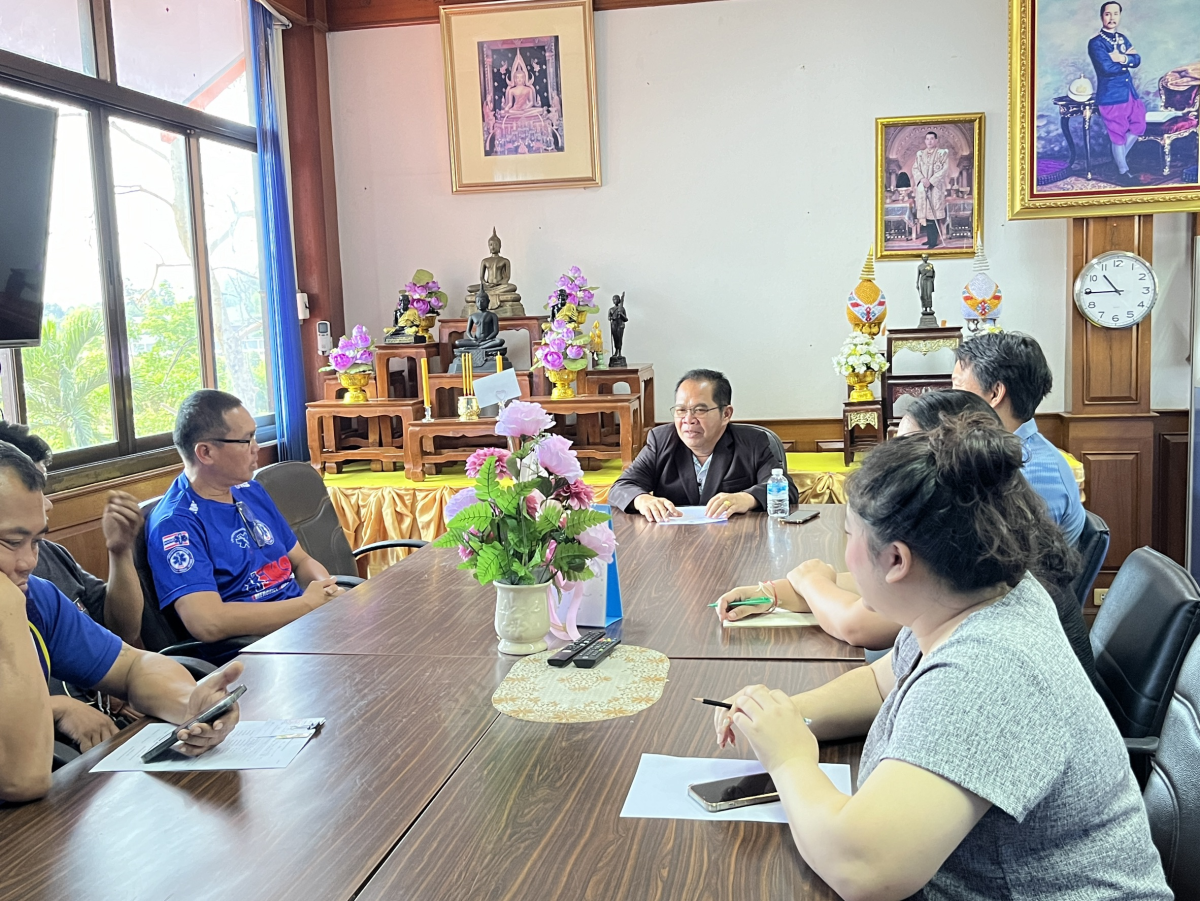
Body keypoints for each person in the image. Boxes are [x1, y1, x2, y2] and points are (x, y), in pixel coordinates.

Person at [712, 415, 1171, 900]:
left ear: (896, 561)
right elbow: (880, 684)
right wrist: (789, 717)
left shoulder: (987, 672)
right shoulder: (978, 593)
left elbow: (862, 869)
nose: (843, 555)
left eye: (849, 536)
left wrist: (788, 759)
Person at [715, 389, 1096, 683]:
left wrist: (812, 580)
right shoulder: (985, 533)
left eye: (908, 446)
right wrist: (778, 592)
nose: (896, 456)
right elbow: (883, 668)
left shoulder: (970, 594)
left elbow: (858, 623)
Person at [0, 442, 241, 802]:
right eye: (12, 542)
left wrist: (189, 704)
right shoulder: (13, 601)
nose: (28, 562)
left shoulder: (37, 598)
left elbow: (133, 665)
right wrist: (7, 609)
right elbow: (22, 779)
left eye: (35, 542)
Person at [146, 390, 343, 644]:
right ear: (205, 452)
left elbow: (300, 560)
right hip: (254, 650)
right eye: (246, 440)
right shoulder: (176, 523)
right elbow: (207, 622)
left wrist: (328, 591)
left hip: (303, 627)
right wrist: (305, 606)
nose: (256, 448)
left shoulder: (250, 490)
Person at [0, 422, 145, 646]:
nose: (46, 503)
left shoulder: (51, 555)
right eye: (33, 491)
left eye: (43, 489)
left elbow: (124, 630)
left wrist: (120, 550)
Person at [609, 369, 797, 522]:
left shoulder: (753, 442)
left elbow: (786, 490)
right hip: (675, 548)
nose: (688, 420)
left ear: (726, 414)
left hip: (737, 546)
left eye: (700, 410)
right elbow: (622, 487)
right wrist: (642, 500)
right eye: (681, 410)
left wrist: (745, 499)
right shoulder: (661, 440)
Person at [952, 331, 1086, 543]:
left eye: (958, 386)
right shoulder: (997, 450)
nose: (951, 397)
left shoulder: (1032, 472)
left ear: (995, 394)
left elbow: (1012, 562)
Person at [1089, 1, 1145, 186]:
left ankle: (1117, 159)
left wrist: (1121, 58)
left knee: (1139, 125)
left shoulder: (1122, 38)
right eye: (1107, 14)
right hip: (1111, 95)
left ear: (1119, 16)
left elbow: (1137, 60)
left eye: (1115, 14)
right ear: (1101, 16)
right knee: (1118, 133)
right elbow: (1107, 68)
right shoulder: (1096, 43)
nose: (1112, 18)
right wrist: (1125, 63)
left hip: (1129, 92)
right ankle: (1123, 171)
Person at [912, 130, 948, 248]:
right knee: (926, 215)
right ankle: (929, 239)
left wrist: (931, 181)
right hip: (923, 188)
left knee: (934, 214)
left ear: (936, 140)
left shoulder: (942, 154)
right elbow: (915, 169)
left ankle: (934, 241)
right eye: (927, 139)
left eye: (932, 139)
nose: (929, 141)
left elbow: (944, 170)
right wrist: (922, 179)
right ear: (925, 141)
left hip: (935, 189)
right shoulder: (920, 154)